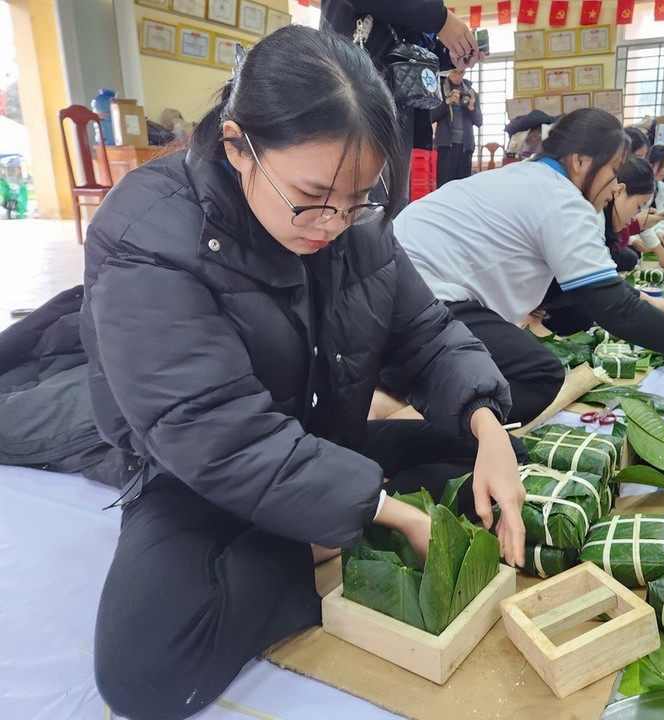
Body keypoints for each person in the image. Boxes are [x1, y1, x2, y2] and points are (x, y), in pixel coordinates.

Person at [80, 27, 526, 720]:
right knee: (148, 669)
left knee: (491, 454)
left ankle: (330, 521)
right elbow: (214, 434)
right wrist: (383, 510)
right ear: (237, 146)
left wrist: (487, 424)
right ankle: (332, 527)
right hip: (201, 476)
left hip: (324, 441)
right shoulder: (149, 232)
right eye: (312, 196)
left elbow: (426, 335)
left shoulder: (354, 222)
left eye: (359, 199)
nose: (334, 223)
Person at [393, 108, 664, 423]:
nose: (613, 187)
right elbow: (612, 308)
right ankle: (413, 424)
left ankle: (400, 399)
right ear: (579, 161)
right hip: (417, 298)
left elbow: (574, 299)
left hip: (398, 287)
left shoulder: (527, 178)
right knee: (537, 374)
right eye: (612, 173)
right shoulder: (562, 199)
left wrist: (637, 303)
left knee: (515, 361)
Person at [321, 0, 481, 206]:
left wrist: (449, 55)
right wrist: (440, 19)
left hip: (398, 102)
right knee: (358, 200)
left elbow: (406, 44)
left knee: (389, 202)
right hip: (358, 95)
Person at [542, 154, 657, 334]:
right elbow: (598, 278)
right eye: (638, 206)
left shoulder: (600, 217)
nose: (636, 216)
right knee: (583, 313)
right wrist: (645, 301)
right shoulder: (592, 214)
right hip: (536, 293)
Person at [433, 67, 482, 186]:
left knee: (463, 186)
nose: (458, 76)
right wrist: (447, 102)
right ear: (449, 71)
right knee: (445, 185)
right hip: (446, 145)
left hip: (466, 147)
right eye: (455, 72)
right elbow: (432, 116)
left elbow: (479, 122)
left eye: (461, 73)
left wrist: (472, 107)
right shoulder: (439, 89)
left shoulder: (471, 92)